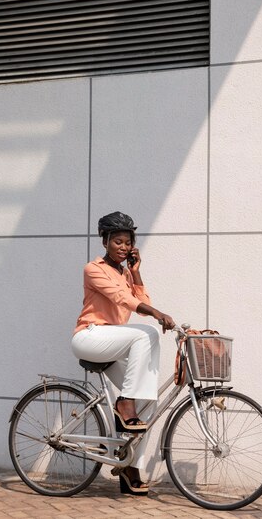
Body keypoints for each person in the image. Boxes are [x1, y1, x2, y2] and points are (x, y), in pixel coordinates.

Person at [71, 211, 176, 496]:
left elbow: (141, 299)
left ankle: (130, 465)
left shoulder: (127, 272)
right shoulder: (92, 269)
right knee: (148, 333)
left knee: (148, 402)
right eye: (117, 241)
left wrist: (137, 272)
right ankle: (124, 402)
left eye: (128, 242)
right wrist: (156, 314)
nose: (124, 247)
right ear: (105, 241)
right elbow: (124, 300)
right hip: (90, 336)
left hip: (113, 341)